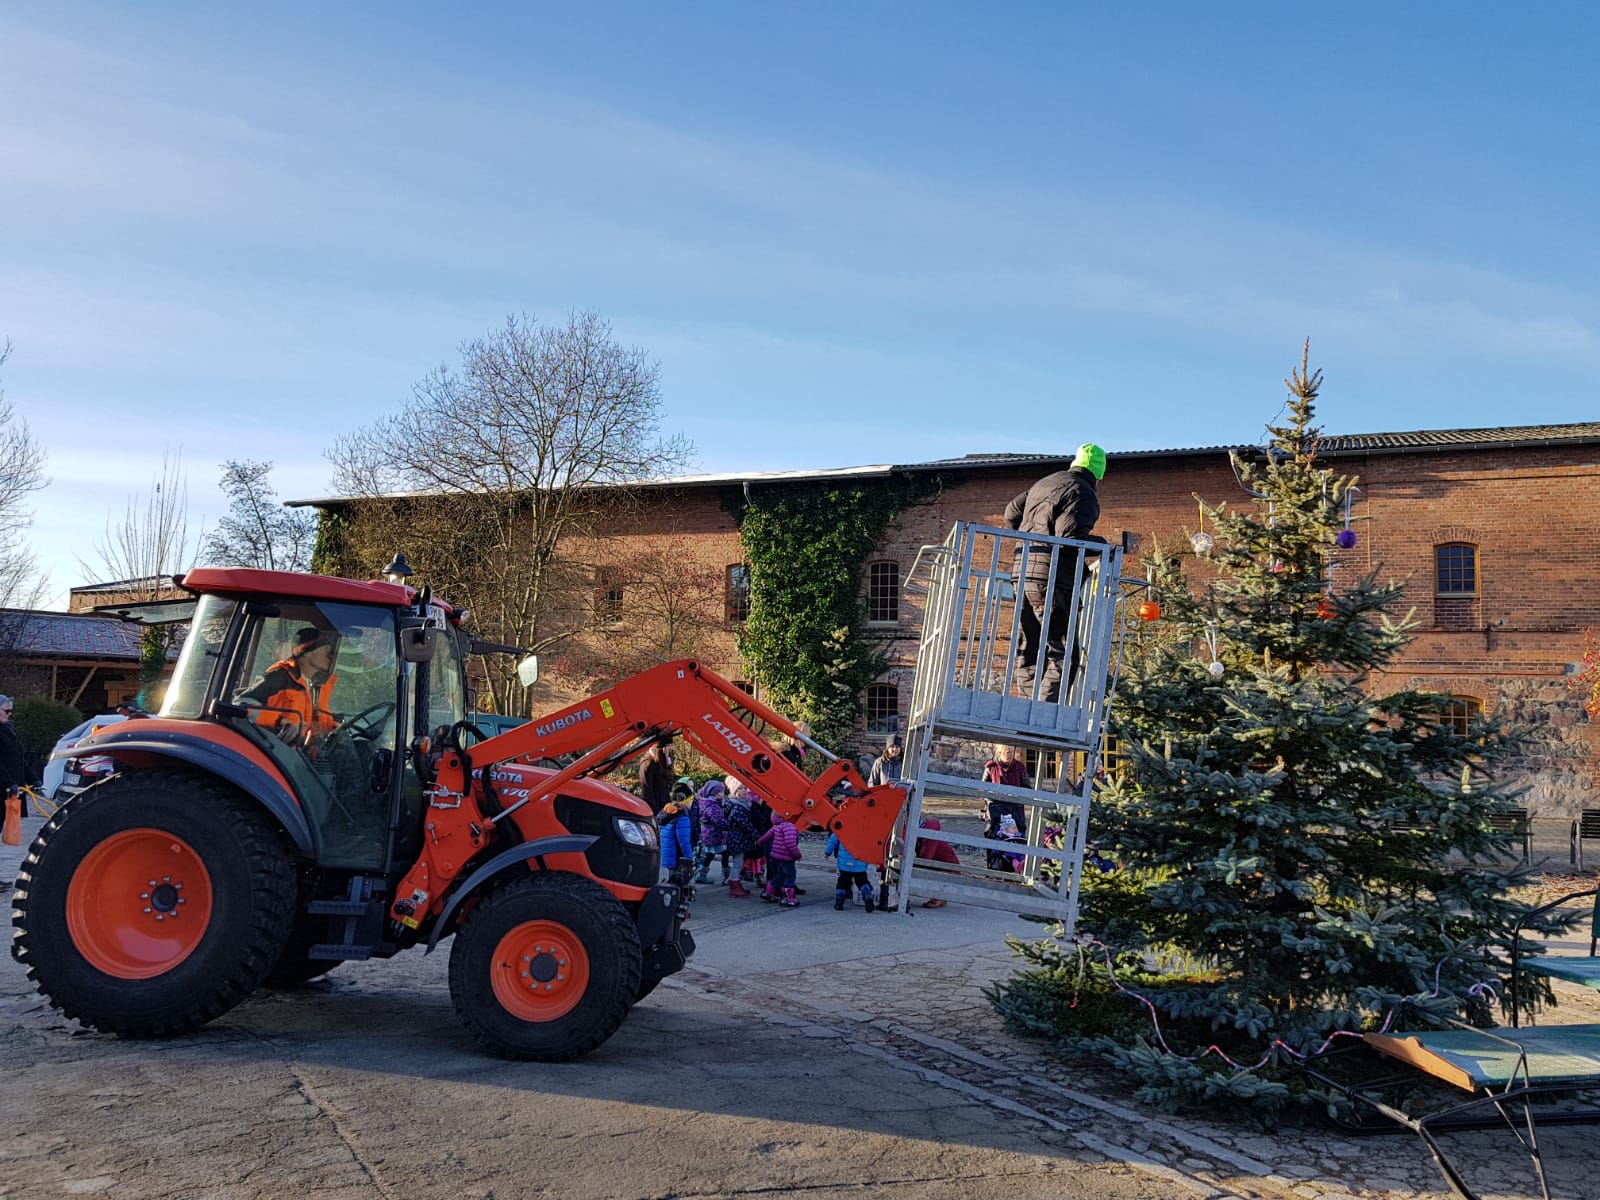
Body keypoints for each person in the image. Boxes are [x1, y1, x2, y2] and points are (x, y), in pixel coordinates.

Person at [1002, 443, 1108, 703]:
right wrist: (1104, 546)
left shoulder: (1044, 483)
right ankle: (1045, 713)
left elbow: (1011, 513)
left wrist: (1029, 540)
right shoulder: (1083, 493)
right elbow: (1069, 538)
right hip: (1052, 580)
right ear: (1098, 474)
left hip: (1021, 574)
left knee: (1029, 648)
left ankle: (1026, 710)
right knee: (1064, 653)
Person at [238, 628, 342, 746]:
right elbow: (242, 705)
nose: (331, 655)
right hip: (276, 750)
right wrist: (280, 721)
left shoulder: (318, 686)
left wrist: (334, 728)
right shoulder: (279, 677)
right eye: (326, 649)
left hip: (304, 752)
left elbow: (317, 726)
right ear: (305, 652)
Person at [0, 694, 38, 820]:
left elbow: (18, 759)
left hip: (10, 790)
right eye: (6, 711)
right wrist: (8, 783)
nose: (9, 714)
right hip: (5, 787)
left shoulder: (7, 730)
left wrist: (33, 779)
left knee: (9, 824)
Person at [720, 781, 759, 898]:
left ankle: (736, 883)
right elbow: (745, 824)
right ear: (735, 791)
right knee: (737, 863)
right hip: (737, 839)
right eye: (741, 789)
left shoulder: (740, 804)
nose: (744, 791)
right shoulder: (738, 807)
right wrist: (757, 836)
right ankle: (734, 885)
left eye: (745, 788)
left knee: (739, 861)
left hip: (738, 838)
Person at [757, 811, 802, 907]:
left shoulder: (777, 826)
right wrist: (797, 855)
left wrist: (759, 842)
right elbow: (790, 844)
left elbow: (767, 836)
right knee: (790, 876)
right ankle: (788, 898)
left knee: (781, 875)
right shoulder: (789, 827)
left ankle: (768, 892)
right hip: (787, 857)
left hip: (776, 856)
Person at [913, 817, 961, 908]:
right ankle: (940, 895)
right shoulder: (926, 831)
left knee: (918, 870)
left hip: (949, 870)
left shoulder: (928, 834)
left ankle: (941, 895)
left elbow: (925, 858)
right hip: (947, 867)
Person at [824, 829, 875, 912]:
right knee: (862, 881)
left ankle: (839, 903)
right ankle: (867, 896)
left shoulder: (842, 826)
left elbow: (833, 840)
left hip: (844, 864)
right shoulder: (866, 827)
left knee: (843, 882)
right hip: (859, 862)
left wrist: (827, 852)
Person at [692, 779, 729, 884]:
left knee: (710, 854)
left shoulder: (705, 803)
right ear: (714, 793)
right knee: (725, 853)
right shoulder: (712, 806)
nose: (723, 794)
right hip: (715, 834)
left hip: (708, 834)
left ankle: (701, 874)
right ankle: (726, 875)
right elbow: (717, 820)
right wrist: (728, 825)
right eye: (721, 792)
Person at [638, 737, 675, 816]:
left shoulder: (666, 761)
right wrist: (654, 812)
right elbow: (647, 791)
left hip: (665, 806)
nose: (671, 749)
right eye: (668, 746)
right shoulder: (648, 763)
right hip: (655, 808)